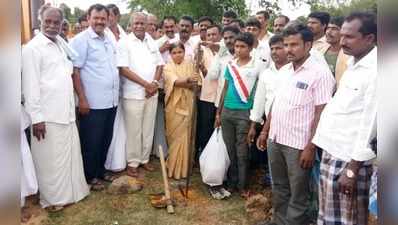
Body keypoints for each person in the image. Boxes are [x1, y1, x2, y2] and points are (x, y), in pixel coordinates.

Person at [256, 24, 335, 225]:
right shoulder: (284, 71)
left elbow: (321, 113)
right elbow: (276, 103)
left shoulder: (320, 74)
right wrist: (265, 131)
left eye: (294, 45)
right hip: (276, 139)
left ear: (308, 45)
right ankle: (278, 221)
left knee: (298, 191)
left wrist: (311, 146)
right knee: (280, 187)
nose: (288, 49)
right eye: (286, 44)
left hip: (299, 145)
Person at [312, 12, 377, 225]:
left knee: (348, 219)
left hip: (350, 160)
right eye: (342, 35)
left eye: (349, 37)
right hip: (333, 151)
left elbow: (370, 124)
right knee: (329, 216)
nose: (342, 41)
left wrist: (352, 169)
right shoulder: (353, 63)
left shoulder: (377, 71)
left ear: (369, 38)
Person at [22, 6, 89, 210]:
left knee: (66, 157)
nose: (51, 26)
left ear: (62, 24)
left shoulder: (60, 43)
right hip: (47, 115)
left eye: (56, 22)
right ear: (40, 22)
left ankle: (70, 194)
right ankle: (52, 199)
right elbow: (30, 87)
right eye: (47, 22)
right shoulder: (32, 49)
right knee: (49, 161)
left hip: (65, 111)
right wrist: (37, 118)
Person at [70, 4, 119, 190]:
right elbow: (75, 71)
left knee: (106, 138)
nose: (99, 21)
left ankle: (100, 170)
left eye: (103, 18)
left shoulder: (109, 38)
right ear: (89, 18)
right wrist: (82, 99)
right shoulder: (81, 40)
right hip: (92, 103)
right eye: (95, 18)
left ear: (108, 19)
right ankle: (90, 176)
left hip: (111, 100)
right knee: (91, 141)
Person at [117, 12, 164, 177]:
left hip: (151, 93)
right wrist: (146, 84)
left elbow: (160, 64)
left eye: (142, 23)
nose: (139, 26)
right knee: (134, 131)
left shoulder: (150, 40)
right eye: (136, 23)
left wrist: (154, 84)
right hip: (133, 94)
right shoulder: (124, 43)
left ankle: (144, 160)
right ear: (130, 25)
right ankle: (133, 162)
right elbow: (123, 69)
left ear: (147, 25)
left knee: (148, 128)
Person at [215, 32, 261, 198]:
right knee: (229, 150)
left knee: (242, 151)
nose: (239, 50)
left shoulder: (257, 66)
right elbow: (225, 88)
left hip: (244, 113)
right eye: (236, 46)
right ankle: (232, 182)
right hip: (227, 111)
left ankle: (242, 185)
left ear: (250, 48)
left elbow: (259, 94)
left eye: (243, 47)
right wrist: (218, 112)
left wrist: (253, 121)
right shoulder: (231, 65)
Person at [247, 34, 289, 187]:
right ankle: (275, 193)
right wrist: (253, 125)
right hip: (270, 124)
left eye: (279, 48)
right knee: (274, 161)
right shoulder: (267, 73)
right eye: (272, 49)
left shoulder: (294, 72)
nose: (275, 52)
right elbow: (259, 100)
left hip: (292, 125)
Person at [163, 43, 199, 179]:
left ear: (184, 52)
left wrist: (193, 83)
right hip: (174, 106)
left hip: (189, 103)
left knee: (187, 135)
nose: (178, 55)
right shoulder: (167, 67)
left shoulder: (191, 65)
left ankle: (185, 167)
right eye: (174, 52)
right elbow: (176, 82)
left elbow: (197, 84)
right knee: (175, 136)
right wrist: (189, 80)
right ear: (170, 54)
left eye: (180, 52)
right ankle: (173, 167)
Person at [195, 24, 222, 159]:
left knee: (218, 130)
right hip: (206, 96)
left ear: (220, 36)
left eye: (214, 34)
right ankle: (203, 158)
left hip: (221, 98)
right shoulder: (202, 51)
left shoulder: (225, 52)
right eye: (209, 35)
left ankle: (216, 159)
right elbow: (200, 71)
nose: (211, 37)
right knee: (205, 129)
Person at [207, 26, 240, 108]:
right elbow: (212, 76)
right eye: (225, 38)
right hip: (223, 103)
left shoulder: (247, 55)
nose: (228, 41)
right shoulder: (221, 55)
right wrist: (218, 55)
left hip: (241, 103)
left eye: (231, 37)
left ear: (238, 37)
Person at [323, 16, 350, 86]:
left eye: (334, 29)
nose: (329, 32)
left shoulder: (349, 55)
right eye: (328, 28)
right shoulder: (319, 51)